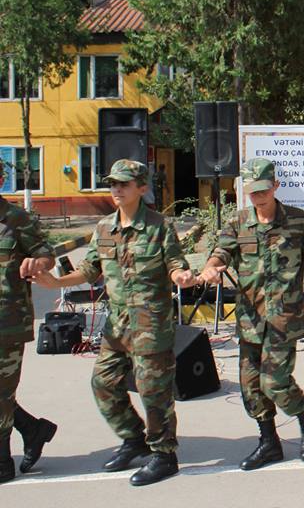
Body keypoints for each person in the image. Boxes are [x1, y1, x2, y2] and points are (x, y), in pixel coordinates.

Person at [197, 158, 304, 471]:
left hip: (282, 320)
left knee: (274, 381)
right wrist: (210, 268)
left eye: (263, 190)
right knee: (251, 387)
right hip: (250, 320)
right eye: (252, 192)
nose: (258, 197)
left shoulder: (297, 221)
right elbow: (220, 253)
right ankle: (269, 442)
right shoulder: (238, 223)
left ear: (275, 186)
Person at [35, 160, 196, 486]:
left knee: (154, 392)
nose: (117, 190)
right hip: (118, 324)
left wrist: (182, 276)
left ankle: (164, 454)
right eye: (113, 184)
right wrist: (55, 283)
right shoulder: (105, 228)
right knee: (103, 382)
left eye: (123, 184)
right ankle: (134, 437)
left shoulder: (158, 226)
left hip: (151, 323)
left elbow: (175, 264)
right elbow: (91, 269)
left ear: (141, 187)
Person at [0, 161, 57, 484]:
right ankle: (33, 428)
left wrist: (38, 263)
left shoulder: (16, 219)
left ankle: (3, 462)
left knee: (0, 392)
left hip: (7, 321)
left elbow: (46, 253)